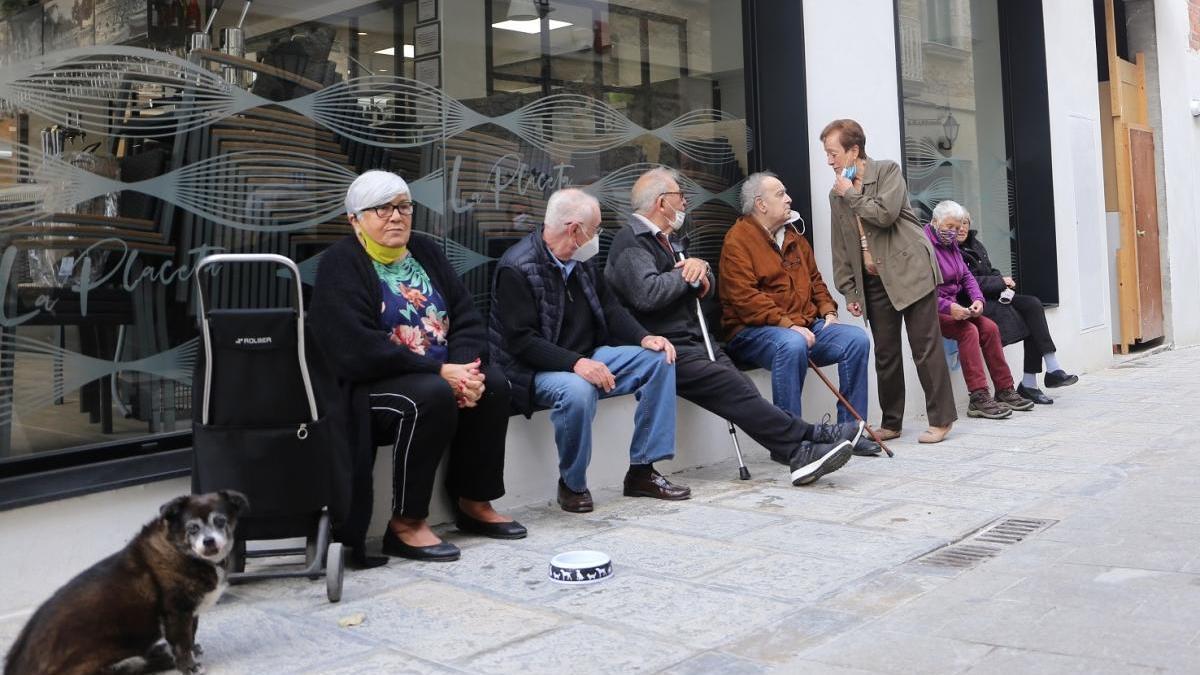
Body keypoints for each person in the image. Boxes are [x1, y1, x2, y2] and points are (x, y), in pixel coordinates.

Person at [310, 170, 525, 564]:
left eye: (403, 206)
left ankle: (473, 501)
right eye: (382, 208)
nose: (396, 217)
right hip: (371, 382)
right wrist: (440, 373)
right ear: (354, 219)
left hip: (439, 372)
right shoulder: (341, 265)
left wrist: (465, 369)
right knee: (430, 396)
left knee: (493, 385)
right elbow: (356, 348)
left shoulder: (425, 251)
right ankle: (406, 524)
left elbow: (465, 315)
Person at [604, 168, 870, 486]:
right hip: (665, 346)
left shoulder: (668, 240)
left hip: (694, 339)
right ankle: (811, 434)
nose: (685, 202)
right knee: (735, 388)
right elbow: (649, 294)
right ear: (662, 203)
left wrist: (700, 270)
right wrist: (688, 274)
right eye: (679, 196)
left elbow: (706, 284)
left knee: (742, 391)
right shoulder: (632, 241)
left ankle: (798, 453)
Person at [489, 187, 686, 513]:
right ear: (574, 230)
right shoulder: (517, 266)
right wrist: (576, 363)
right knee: (578, 390)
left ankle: (642, 471)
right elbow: (520, 341)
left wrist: (643, 337)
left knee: (658, 359)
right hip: (532, 370)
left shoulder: (580, 260)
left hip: (586, 355)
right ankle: (572, 484)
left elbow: (610, 309)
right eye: (594, 230)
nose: (597, 237)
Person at [823, 118, 958, 444]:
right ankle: (892, 422)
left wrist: (851, 194)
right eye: (826, 154)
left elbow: (884, 214)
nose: (829, 161)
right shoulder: (836, 193)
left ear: (854, 150)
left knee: (924, 348)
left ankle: (941, 419)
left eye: (833, 153)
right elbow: (841, 243)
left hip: (910, 271)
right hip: (873, 280)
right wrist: (849, 289)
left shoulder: (887, 172)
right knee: (885, 353)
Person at [718, 171, 873, 431]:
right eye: (780, 194)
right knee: (791, 343)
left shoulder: (794, 237)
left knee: (855, 340)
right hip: (752, 332)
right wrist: (787, 325)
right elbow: (744, 298)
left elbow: (816, 282)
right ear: (761, 204)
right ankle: (789, 439)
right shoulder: (737, 240)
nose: (789, 199)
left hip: (802, 327)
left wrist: (828, 313)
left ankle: (852, 430)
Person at [955, 212, 1078, 404]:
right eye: (957, 224)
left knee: (1033, 305)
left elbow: (989, 270)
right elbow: (967, 283)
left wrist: (1002, 279)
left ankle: (1051, 366)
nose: (962, 228)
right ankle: (1029, 384)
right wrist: (999, 281)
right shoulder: (952, 251)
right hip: (975, 302)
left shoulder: (975, 244)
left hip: (994, 296)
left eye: (965, 223)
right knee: (1030, 321)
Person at [926, 200, 1034, 418]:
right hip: (931, 309)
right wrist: (950, 307)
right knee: (968, 332)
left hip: (956, 305)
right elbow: (924, 290)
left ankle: (1004, 389)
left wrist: (977, 300)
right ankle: (978, 397)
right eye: (949, 227)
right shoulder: (923, 246)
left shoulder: (951, 244)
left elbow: (967, 277)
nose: (954, 232)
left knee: (990, 328)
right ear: (935, 222)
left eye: (958, 228)